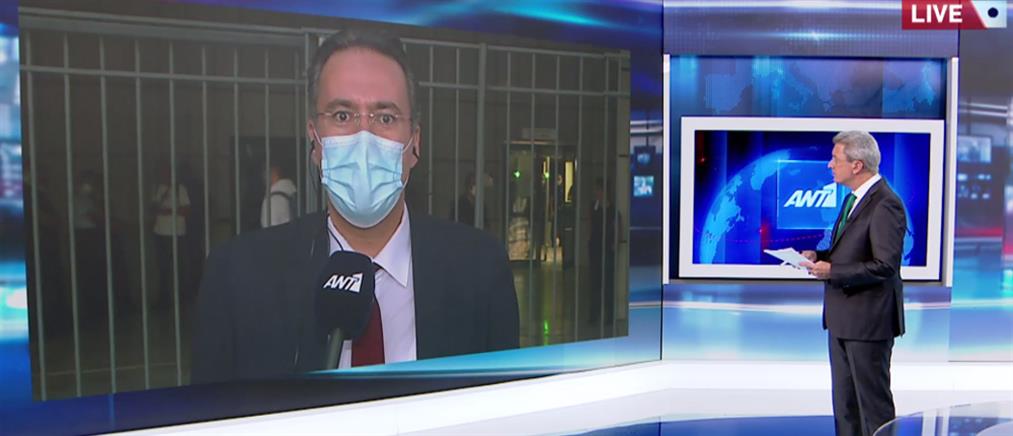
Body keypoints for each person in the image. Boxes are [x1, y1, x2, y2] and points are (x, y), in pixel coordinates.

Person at [192, 29, 519, 384]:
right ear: (315, 141)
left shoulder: (481, 271)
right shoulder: (237, 279)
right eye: (342, 116)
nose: (365, 138)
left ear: (415, 144)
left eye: (386, 117)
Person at [799, 131, 906, 436]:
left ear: (857, 165)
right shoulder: (853, 199)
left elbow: (885, 265)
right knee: (846, 408)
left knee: (872, 408)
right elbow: (853, 251)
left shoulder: (885, 204)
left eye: (835, 158)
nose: (829, 164)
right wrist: (819, 256)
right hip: (842, 319)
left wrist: (833, 271)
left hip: (868, 323)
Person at [587, 177, 618, 334]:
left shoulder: (612, 210)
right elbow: (591, 225)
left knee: (608, 284)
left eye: (599, 190)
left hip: (607, 250)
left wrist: (614, 244)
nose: (596, 193)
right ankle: (594, 314)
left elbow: (616, 226)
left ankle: (608, 315)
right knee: (595, 283)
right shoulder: (594, 207)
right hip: (595, 249)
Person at [260, 163, 298, 228]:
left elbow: (272, 231)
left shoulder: (273, 200)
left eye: (265, 172)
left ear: (275, 172)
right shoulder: (293, 192)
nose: (263, 176)